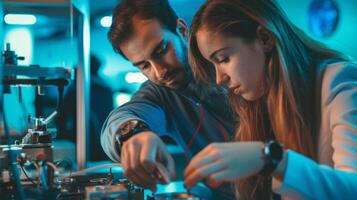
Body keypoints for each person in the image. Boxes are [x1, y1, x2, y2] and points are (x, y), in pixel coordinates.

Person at [184, 0, 357, 199]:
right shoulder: (258, 103)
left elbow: (353, 188)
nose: (219, 79)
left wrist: (270, 159)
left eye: (223, 59)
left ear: (265, 38)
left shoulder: (340, 81)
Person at [101, 0, 236, 198]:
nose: (160, 71)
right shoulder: (160, 93)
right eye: (144, 65)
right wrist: (133, 134)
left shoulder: (232, 64)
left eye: (162, 50)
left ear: (181, 29)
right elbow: (121, 118)